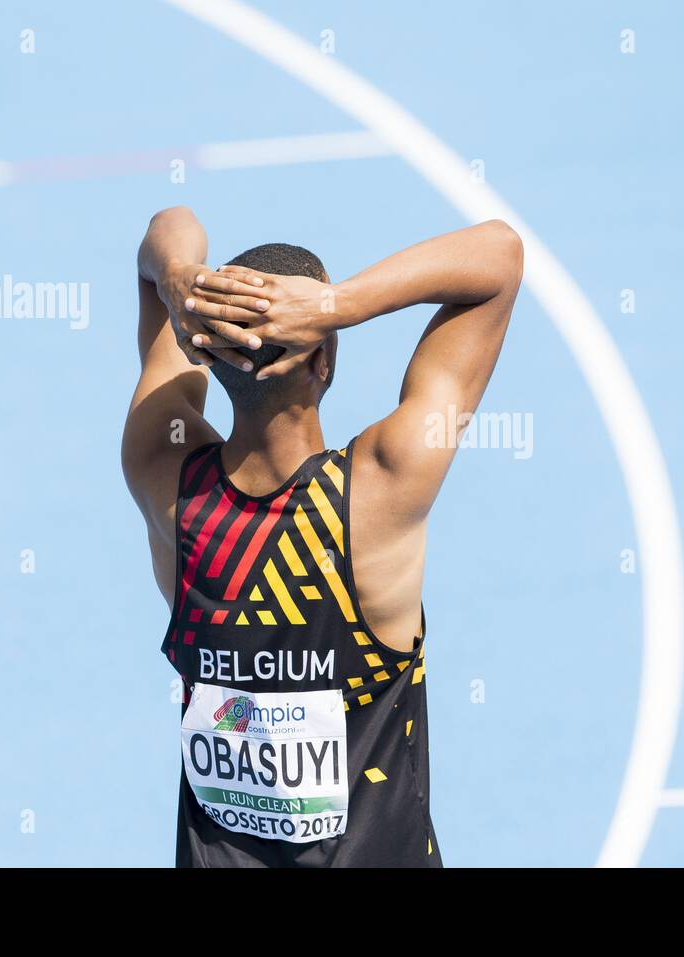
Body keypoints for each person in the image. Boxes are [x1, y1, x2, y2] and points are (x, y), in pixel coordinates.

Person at [122, 206, 522, 866]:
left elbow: (170, 228)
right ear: (325, 358)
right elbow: (498, 257)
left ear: (199, 345)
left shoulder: (163, 476)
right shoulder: (382, 489)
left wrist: (181, 282)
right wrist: (340, 303)